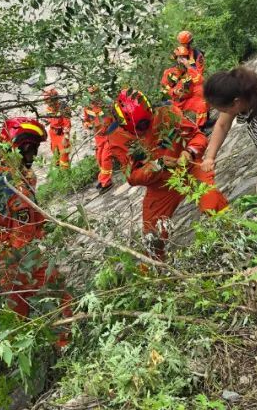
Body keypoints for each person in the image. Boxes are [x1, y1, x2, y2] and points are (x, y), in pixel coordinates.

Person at [0, 117, 73, 341]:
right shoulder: (19, 193)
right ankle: (65, 344)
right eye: (32, 150)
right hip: (19, 258)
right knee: (61, 298)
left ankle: (22, 349)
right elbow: (23, 237)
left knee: (16, 318)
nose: (34, 156)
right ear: (20, 149)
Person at [105, 89, 228, 261]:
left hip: (189, 169)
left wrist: (189, 152)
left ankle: (230, 234)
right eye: (138, 129)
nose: (143, 131)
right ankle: (155, 268)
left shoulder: (167, 112)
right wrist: (157, 165)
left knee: (212, 201)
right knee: (152, 238)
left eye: (146, 125)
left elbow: (197, 136)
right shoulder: (118, 137)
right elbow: (132, 177)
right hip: (161, 184)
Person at [161, 46, 209, 127]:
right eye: (180, 57)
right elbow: (163, 90)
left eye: (184, 57)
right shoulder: (170, 72)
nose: (182, 60)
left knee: (202, 104)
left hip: (187, 100)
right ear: (176, 59)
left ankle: (200, 128)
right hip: (175, 102)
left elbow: (200, 80)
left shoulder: (190, 70)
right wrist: (173, 92)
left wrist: (189, 67)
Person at [81, 85, 116, 191]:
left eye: (94, 93)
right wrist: (88, 125)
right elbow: (86, 120)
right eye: (91, 93)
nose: (93, 96)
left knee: (106, 157)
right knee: (99, 158)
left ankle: (106, 181)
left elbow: (116, 118)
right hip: (98, 136)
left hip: (109, 134)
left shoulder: (107, 103)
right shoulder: (87, 107)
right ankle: (103, 179)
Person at [44, 88, 72, 170]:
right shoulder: (49, 108)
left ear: (55, 99)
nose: (48, 103)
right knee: (55, 155)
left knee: (64, 155)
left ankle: (66, 174)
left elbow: (67, 125)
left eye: (49, 100)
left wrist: (66, 138)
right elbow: (49, 120)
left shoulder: (63, 107)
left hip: (62, 134)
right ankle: (59, 172)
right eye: (47, 101)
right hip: (53, 134)